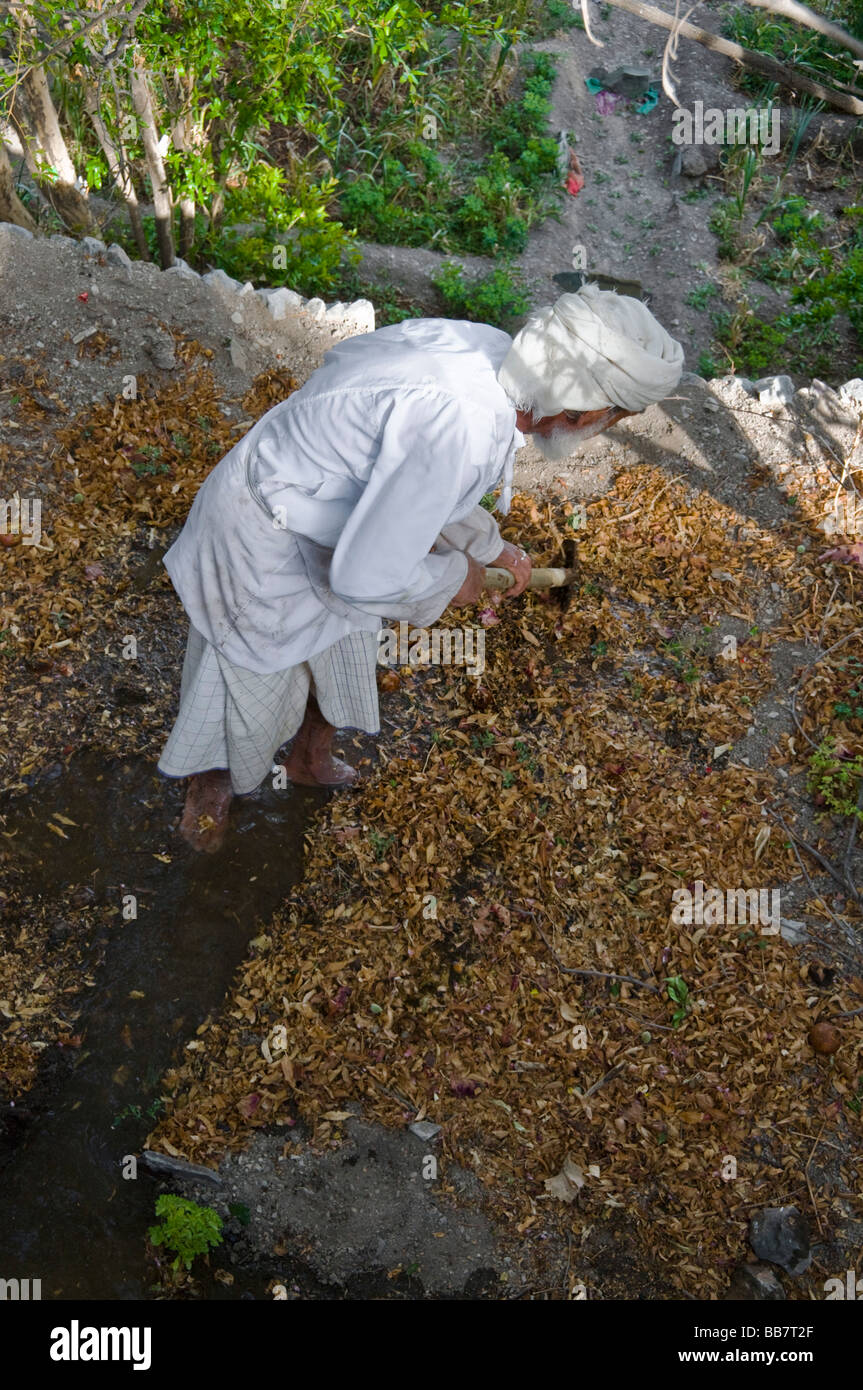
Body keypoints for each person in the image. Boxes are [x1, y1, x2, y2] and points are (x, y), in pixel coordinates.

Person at [158, 283, 684, 851]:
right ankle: (208, 802)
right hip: (264, 538)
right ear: (579, 406)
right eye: (613, 417)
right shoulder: (462, 424)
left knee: (343, 652)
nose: (604, 429)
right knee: (242, 689)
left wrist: (488, 547)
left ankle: (310, 758)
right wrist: (455, 579)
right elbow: (364, 578)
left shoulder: (494, 359)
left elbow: (419, 485)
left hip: (332, 518)